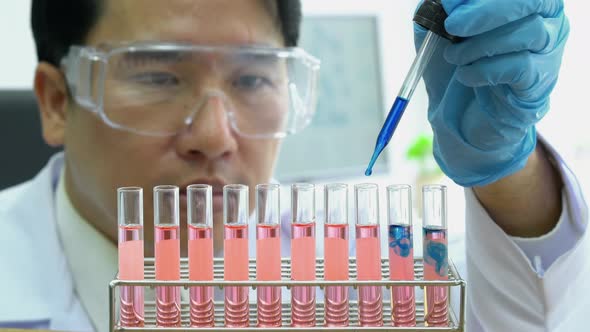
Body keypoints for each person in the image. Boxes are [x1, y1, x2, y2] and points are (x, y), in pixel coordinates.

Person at [0, 0, 585, 331]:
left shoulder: (354, 272)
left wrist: (506, 172)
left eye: (252, 78)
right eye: (158, 76)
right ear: (56, 102)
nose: (213, 136)